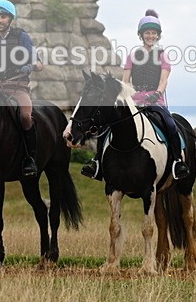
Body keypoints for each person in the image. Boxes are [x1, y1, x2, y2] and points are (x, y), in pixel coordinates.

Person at [80, 9, 190, 181]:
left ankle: (177, 161)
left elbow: (164, 80)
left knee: (170, 124)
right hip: (134, 100)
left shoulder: (163, 56)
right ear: (141, 34)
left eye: (154, 33)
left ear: (158, 35)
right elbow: (125, 81)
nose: (150, 36)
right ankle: (97, 163)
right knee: (109, 124)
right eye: (147, 32)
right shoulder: (132, 55)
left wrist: (157, 93)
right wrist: (125, 96)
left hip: (156, 101)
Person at [0, 0, 43, 177]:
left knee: (24, 115)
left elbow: (39, 64)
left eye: (3, 16)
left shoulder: (22, 37)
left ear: (10, 18)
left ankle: (30, 158)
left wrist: (30, 66)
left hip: (18, 87)